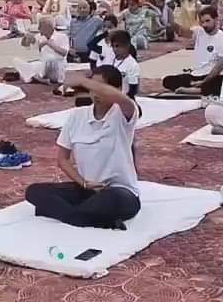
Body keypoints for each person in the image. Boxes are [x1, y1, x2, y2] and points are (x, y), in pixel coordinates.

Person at [24, 66, 141, 229]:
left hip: (118, 192)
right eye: (92, 88)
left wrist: (82, 80)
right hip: (86, 189)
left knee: (107, 200)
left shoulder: (123, 114)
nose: (96, 93)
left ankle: (71, 214)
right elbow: (62, 159)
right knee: (35, 191)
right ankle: (85, 218)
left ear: (117, 90)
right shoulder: (77, 116)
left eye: (100, 88)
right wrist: (83, 183)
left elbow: (123, 99)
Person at [162, 5, 223, 95]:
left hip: (212, 76)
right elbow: (183, 32)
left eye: (208, 21)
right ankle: (198, 88)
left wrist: (204, 81)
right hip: (195, 75)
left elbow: (219, 67)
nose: (205, 25)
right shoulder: (199, 32)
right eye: (202, 22)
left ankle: (196, 90)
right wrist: (172, 23)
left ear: (216, 20)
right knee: (167, 81)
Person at [14, 16, 70, 86]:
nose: (38, 29)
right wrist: (25, 38)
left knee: (50, 58)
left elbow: (64, 53)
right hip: (42, 65)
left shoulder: (62, 36)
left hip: (57, 67)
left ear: (48, 27)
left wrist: (49, 43)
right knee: (16, 61)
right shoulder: (39, 37)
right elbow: (25, 45)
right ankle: (38, 77)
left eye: (40, 26)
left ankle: (36, 77)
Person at [110, 30, 141, 98]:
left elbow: (133, 89)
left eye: (117, 46)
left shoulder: (132, 64)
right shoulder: (109, 59)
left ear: (127, 46)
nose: (115, 49)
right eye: (113, 46)